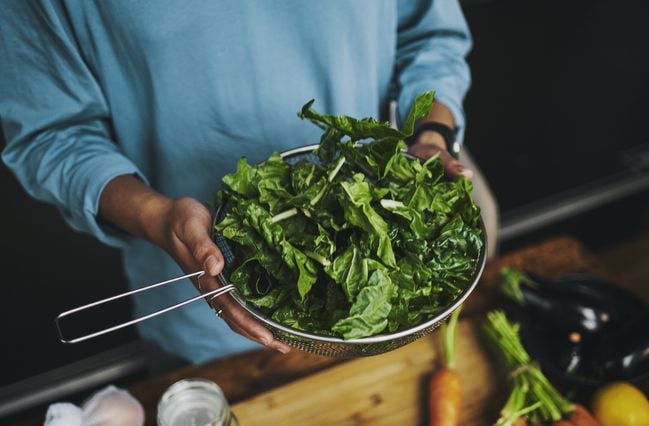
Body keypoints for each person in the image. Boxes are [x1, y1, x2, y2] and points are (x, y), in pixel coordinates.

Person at [0, 1, 497, 365]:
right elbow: (52, 133)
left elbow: (429, 36)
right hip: (203, 298)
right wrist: (157, 217)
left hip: (385, 294)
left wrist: (433, 136)